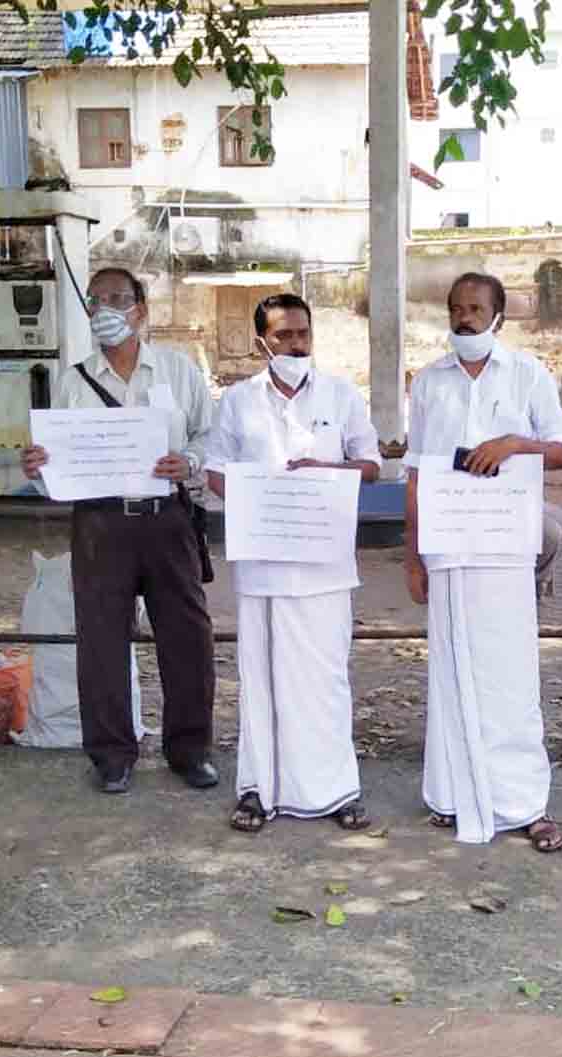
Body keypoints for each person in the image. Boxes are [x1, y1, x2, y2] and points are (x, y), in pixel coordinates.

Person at [20, 267, 218, 795]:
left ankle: (190, 750)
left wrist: (190, 462)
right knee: (102, 641)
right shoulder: (72, 381)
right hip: (99, 524)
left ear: (141, 309)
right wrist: (38, 467)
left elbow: (209, 436)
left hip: (168, 519)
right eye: (96, 300)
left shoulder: (177, 371)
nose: (106, 308)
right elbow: (55, 464)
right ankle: (111, 756)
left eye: (118, 298)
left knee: (187, 638)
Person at [404, 271, 562, 852]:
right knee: (451, 668)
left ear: (498, 316)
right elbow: (416, 473)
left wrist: (514, 443)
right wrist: (413, 554)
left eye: (477, 308)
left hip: (505, 548)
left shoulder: (527, 374)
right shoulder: (429, 382)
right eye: (457, 308)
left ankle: (524, 803)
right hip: (448, 545)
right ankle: (452, 793)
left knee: (509, 674)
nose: (465, 317)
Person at [204, 294, 379, 833]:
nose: (296, 344)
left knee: (325, 681)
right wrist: (258, 498)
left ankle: (336, 790)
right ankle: (257, 789)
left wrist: (326, 472)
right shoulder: (238, 401)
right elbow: (215, 471)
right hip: (263, 564)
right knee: (261, 680)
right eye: (284, 336)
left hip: (325, 564)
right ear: (262, 343)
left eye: (303, 333)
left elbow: (371, 464)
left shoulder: (341, 394)